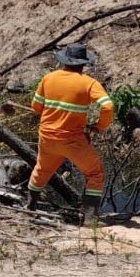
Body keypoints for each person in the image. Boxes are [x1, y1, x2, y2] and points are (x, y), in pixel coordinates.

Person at [27, 43, 114, 225]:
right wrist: (99, 126)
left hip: (47, 137)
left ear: (64, 61)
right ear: (83, 64)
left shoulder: (48, 78)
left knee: (42, 170)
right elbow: (108, 106)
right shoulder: (88, 83)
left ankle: (30, 208)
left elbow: (36, 107)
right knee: (95, 173)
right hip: (73, 140)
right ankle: (90, 219)